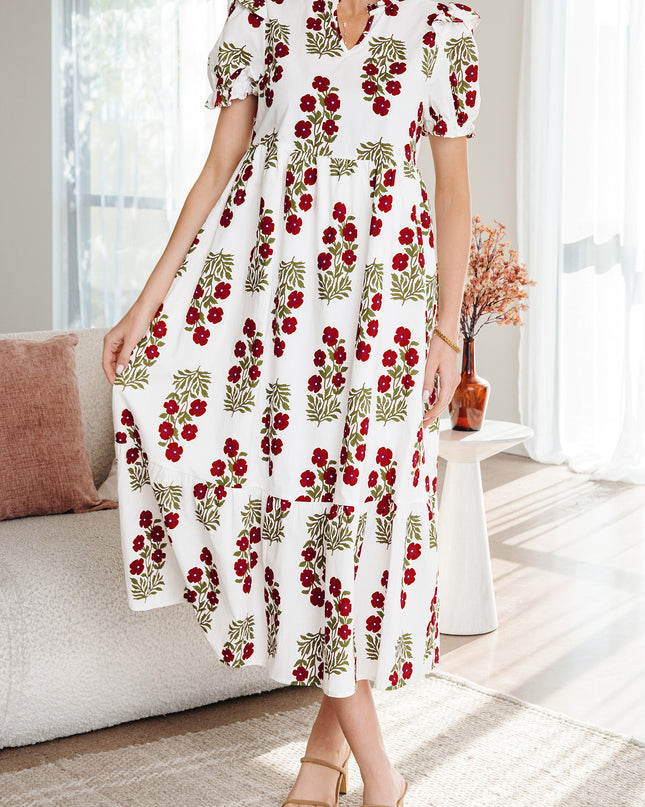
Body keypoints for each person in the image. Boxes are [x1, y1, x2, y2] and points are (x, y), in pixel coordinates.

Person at [102, 1, 481, 805]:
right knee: (301, 520)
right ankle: (383, 775)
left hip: (386, 311)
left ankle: (329, 758)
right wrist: (147, 302)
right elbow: (218, 169)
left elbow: (452, 188)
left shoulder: (439, 24)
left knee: (358, 514)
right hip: (274, 309)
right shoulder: (264, 13)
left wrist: (446, 331)